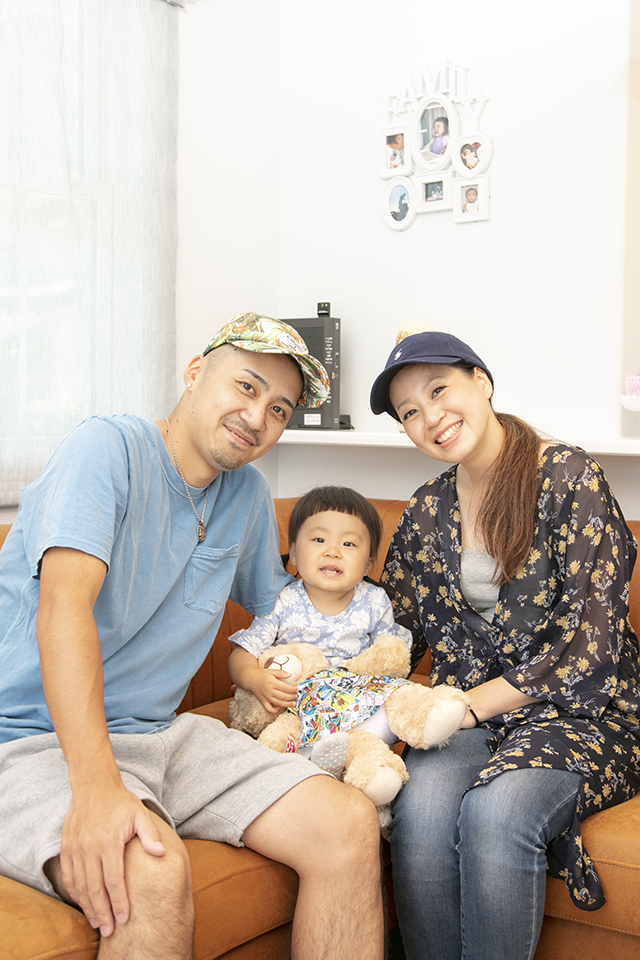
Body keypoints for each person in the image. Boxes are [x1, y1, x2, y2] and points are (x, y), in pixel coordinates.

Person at [0, 314, 385, 960]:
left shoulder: (247, 494)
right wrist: (96, 790)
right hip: (30, 741)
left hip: (159, 734)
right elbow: (63, 611)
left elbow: (286, 612)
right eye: (246, 386)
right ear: (195, 372)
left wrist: (371, 629)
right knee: (150, 873)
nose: (257, 416)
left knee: (346, 822)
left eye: (279, 408)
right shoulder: (107, 449)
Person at [369, 331, 640, 960]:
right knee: (421, 813)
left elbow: (592, 642)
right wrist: (320, 687)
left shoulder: (568, 475)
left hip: (583, 714)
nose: (431, 417)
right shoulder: (426, 510)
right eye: (410, 411)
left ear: (482, 381)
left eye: (440, 390)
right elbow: (395, 636)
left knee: (496, 815)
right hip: (466, 718)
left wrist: (468, 705)